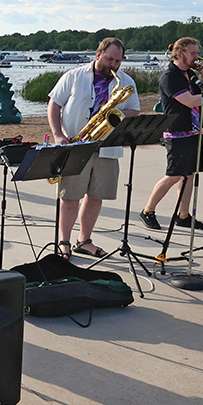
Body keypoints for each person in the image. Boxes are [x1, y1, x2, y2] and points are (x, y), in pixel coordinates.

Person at [47, 37, 140, 258]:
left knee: (96, 196)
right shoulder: (73, 76)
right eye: (109, 59)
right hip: (76, 144)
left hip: (108, 147)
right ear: (98, 55)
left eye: (118, 61)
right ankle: (64, 242)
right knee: (70, 196)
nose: (114, 65)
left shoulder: (126, 82)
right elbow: (54, 104)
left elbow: (134, 111)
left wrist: (111, 115)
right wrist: (58, 135)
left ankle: (84, 240)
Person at [140, 38, 203, 231]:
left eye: (197, 53)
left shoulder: (189, 74)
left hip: (193, 130)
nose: (197, 57)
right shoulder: (170, 77)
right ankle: (147, 210)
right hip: (176, 132)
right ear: (179, 54)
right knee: (174, 175)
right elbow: (190, 100)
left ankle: (183, 215)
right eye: (192, 53)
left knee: (189, 175)